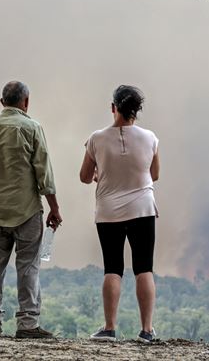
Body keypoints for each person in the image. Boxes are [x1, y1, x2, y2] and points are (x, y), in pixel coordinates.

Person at [0, 81, 62, 339]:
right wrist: (54, 208)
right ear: (26, 102)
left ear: (2, 102)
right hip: (26, 211)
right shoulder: (32, 127)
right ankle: (27, 324)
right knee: (28, 267)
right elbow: (44, 174)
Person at [80, 85, 160, 343]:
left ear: (113, 107)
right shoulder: (150, 138)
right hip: (143, 208)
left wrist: (98, 175)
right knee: (143, 268)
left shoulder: (96, 138)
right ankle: (146, 330)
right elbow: (154, 174)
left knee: (112, 268)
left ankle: (109, 328)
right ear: (136, 111)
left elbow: (84, 176)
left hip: (108, 211)